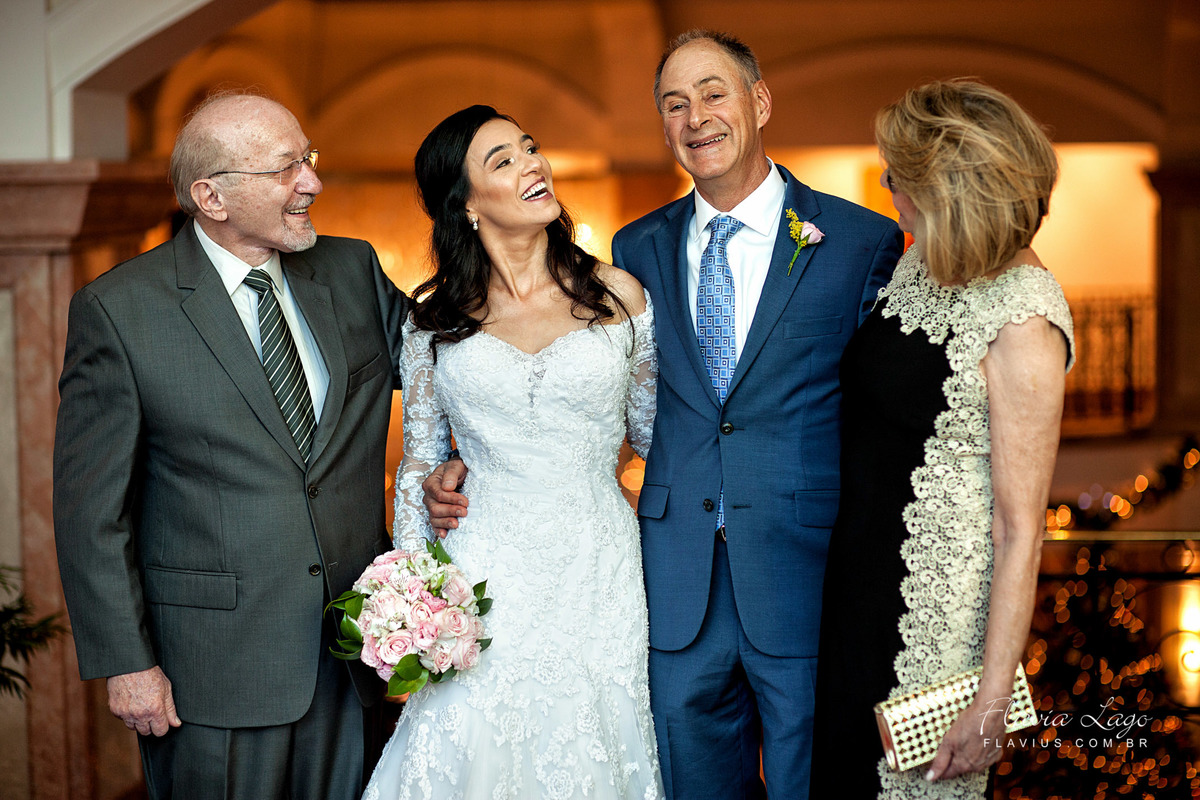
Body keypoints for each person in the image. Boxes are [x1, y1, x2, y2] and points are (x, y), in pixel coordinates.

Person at [424, 31, 903, 799]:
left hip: (801, 571)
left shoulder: (858, 240)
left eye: (714, 93)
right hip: (666, 585)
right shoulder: (634, 251)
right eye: (674, 104)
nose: (696, 117)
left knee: (810, 782)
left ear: (760, 101)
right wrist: (462, 463)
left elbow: (887, 415)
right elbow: (625, 412)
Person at [53, 93, 409, 799]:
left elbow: (452, 371)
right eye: (285, 169)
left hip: (355, 659)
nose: (310, 182)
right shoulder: (119, 311)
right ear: (210, 196)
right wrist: (127, 663)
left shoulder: (354, 269)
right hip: (210, 677)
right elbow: (92, 512)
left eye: (307, 160)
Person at [362, 105, 661, 799]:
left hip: (598, 567)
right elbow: (418, 460)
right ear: (465, 206)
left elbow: (656, 438)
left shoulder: (618, 295)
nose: (533, 163)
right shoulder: (433, 318)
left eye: (530, 147)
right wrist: (415, 596)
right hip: (483, 573)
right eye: (503, 160)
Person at [809, 79, 1074, 798]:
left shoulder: (1025, 322)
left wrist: (990, 704)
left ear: (950, 188)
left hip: (933, 623)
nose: (889, 187)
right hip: (855, 593)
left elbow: (1022, 530)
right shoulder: (921, 259)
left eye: (900, 176)